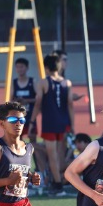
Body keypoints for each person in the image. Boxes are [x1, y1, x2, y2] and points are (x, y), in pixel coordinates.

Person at [30, 54, 74, 197]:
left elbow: (38, 103)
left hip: (49, 122)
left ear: (46, 68)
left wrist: (32, 121)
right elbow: (70, 105)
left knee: (52, 154)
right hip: (64, 123)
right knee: (59, 154)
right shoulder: (67, 82)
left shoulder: (43, 82)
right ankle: (59, 179)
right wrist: (72, 125)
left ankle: (57, 183)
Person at [12, 57, 38, 143]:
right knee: (17, 140)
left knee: (33, 140)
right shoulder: (14, 83)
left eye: (22, 67)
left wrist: (27, 101)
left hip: (30, 116)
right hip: (18, 117)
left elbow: (38, 99)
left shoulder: (32, 81)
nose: (20, 69)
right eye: (17, 67)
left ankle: (34, 152)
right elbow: (10, 100)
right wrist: (17, 102)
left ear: (27, 68)